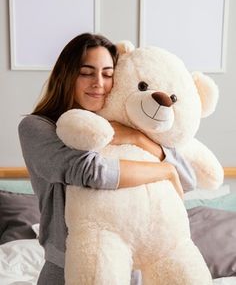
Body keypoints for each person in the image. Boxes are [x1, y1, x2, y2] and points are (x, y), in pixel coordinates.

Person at [18, 33, 196, 285]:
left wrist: (138, 139)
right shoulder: (36, 127)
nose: (98, 82)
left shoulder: (132, 123)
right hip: (67, 268)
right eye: (86, 72)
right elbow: (90, 172)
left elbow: (187, 179)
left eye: (107, 73)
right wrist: (164, 171)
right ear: (66, 75)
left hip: (133, 267)